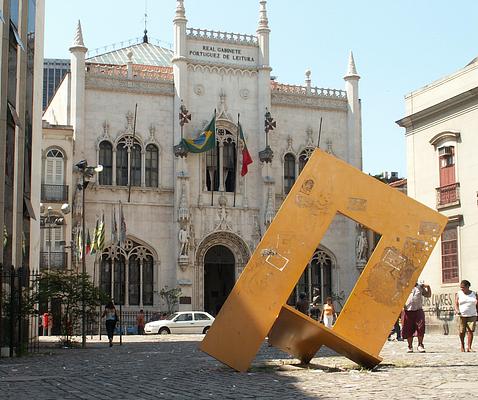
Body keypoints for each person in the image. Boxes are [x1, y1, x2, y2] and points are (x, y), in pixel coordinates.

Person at [402, 282, 431, 353]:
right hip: (408, 311)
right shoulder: (404, 287)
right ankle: (409, 346)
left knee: (420, 328)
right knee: (408, 328)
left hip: (418, 310)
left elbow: (428, 295)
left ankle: (420, 345)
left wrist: (428, 287)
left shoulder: (420, 287)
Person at [454, 280, 478, 352]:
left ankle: (469, 347)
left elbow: (477, 303)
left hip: (472, 314)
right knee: (462, 331)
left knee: (470, 331)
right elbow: (456, 303)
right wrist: (457, 310)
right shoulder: (459, 294)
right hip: (461, 315)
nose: (462, 289)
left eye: (463, 287)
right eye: (461, 287)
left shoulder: (474, 293)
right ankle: (462, 345)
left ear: (468, 286)